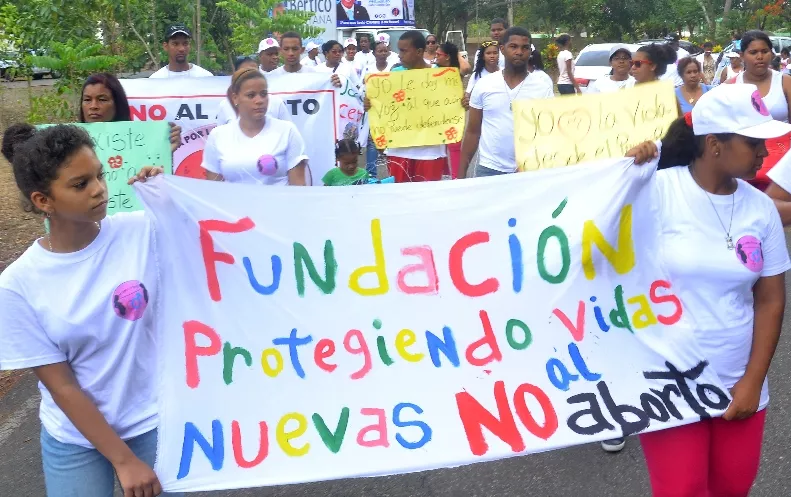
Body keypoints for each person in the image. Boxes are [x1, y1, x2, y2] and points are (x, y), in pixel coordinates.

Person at [627, 83, 791, 496]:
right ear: (714, 144)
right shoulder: (655, 191)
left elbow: (770, 300)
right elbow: (588, 234)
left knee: (731, 489)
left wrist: (753, 381)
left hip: (737, 379)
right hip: (666, 383)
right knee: (681, 490)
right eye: (753, 142)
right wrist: (625, 172)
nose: (764, 152)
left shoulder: (761, 209)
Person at [0, 123, 178, 497]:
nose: (98, 189)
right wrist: (124, 461)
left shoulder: (142, 231)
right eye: (80, 184)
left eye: (99, 175)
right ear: (43, 200)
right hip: (74, 436)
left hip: (153, 420)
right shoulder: (18, 284)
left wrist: (168, 197)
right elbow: (62, 385)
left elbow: (207, 239)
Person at [459, 27, 554, 178]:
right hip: (489, 169)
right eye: (513, 46)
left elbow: (547, 132)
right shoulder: (484, 85)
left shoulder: (542, 88)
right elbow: (472, 131)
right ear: (502, 49)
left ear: (530, 51)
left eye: (525, 48)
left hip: (528, 170)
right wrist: (461, 172)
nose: (519, 52)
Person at [364, 30, 448, 182]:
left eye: (403, 51)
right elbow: (384, 107)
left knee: (427, 195)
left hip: (430, 150)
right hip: (399, 149)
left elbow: (449, 104)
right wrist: (370, 104)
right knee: (400, 195)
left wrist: (462, 102)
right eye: (399, 50)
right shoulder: (394, 74)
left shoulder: (440, 75)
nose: (399, 55)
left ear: (419, 52)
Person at [202, 68, 309, 186]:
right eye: (251, 95)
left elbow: (298, 188)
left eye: (263, 94)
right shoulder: (218, 135)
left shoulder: (287, 131)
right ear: (235, 98)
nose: (259, 101)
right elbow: (213, 189)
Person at [725, 30, 791, 191]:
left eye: (764, 51)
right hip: (743, 165)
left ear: (772, 53)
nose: (760, 57)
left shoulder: (785, 82)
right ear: (742, 55)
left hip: (783, 163)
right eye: (753, 52)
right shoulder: (729, 86)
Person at [81, 73, 182, 154]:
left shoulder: (138, 143)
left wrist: (164, 153)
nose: (93, 106)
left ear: (118, 104)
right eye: (87, 100)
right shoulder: (73, 145)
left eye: (102, 99)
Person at [215, 57, 290, 124]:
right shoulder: (224, 105)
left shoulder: (277, 102)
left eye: (254, 72)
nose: (251, 76)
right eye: (245, 73)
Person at [361, 41, 395, 177]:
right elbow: (362, 88)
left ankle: (393, 173)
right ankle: (371, 174)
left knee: (391, 140)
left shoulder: (393, 68)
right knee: (373, 141)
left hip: (390, 110)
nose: (382, 53)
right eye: (379, 51)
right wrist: (365, 100)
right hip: (373, 111)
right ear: (374, 53)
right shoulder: (368, 69)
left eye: (385, 51)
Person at [436, 42, 465, 179]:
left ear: (447, 56)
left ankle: (456, 178)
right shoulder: (432, 70)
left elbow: (466, 67)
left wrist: (455, 52)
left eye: (439, 54)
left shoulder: (456, 71)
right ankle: (444, 175)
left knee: (454, 146)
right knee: (439, 146)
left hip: (453, 114)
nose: (436, 57)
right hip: (436, 114)